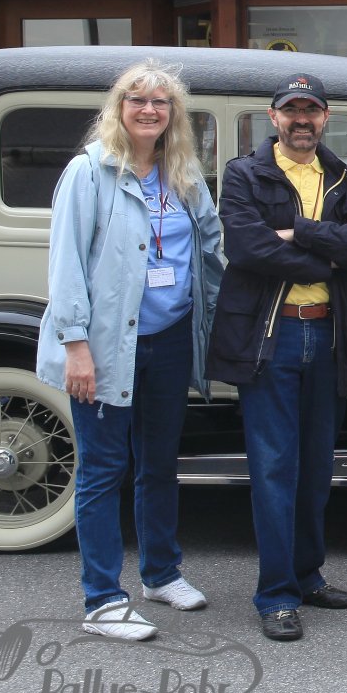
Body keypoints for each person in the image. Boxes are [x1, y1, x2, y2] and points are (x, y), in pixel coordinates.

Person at [38, 60, 223, 641]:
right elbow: (66, 264)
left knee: (160, 464)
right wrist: (75, 347)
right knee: (102, 470)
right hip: (105, 347)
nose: (149, 110)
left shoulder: (183, 172)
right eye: (137, 99)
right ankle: (102, 599)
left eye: (160, 102)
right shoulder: (89, 172)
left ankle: (161, 574)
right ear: (118, 108)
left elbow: (210, 250)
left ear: (174, 114)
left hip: (169, 339)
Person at [208, 72, 347, 642]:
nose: (301, 120)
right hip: (271, 337)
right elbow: (246, 245)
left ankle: (308, 577)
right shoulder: (244, 174)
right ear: (274, 117)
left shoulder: (346, 177)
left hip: (329, 336)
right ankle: (276, 595)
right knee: (274, 469)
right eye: (292, 110)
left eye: (311, 110)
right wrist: (329, 253)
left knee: (316, 469)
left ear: (325, 117)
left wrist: (297, 232)